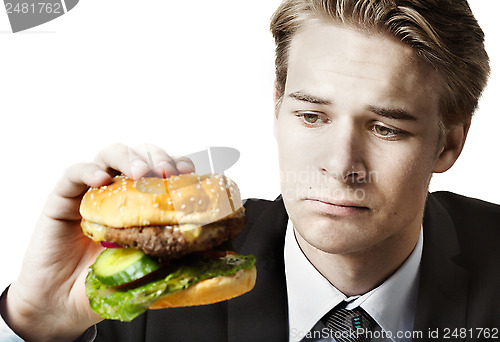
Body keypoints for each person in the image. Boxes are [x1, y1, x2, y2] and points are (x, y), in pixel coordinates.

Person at [1, 0, 499, 341]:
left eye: (386, 128)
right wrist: (33, 320)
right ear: (277, 107)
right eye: (311, 116)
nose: (340, 164)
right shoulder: (143, 293)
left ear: (448, 143)